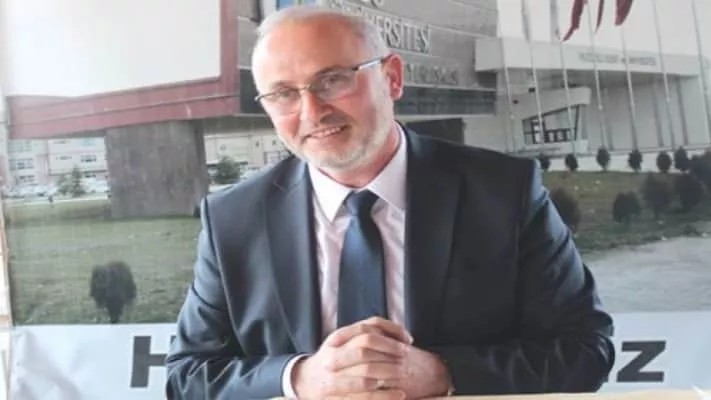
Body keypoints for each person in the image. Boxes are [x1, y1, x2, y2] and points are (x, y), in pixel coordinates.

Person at [165, 5, 615, 400]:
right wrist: (299, 378)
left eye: (332, 80)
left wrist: (443, 373)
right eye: (284, 94)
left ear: (392, 77)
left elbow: (585, 351)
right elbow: (187, 377)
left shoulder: (503, 193)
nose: (312, 112)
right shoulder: (232, 220)